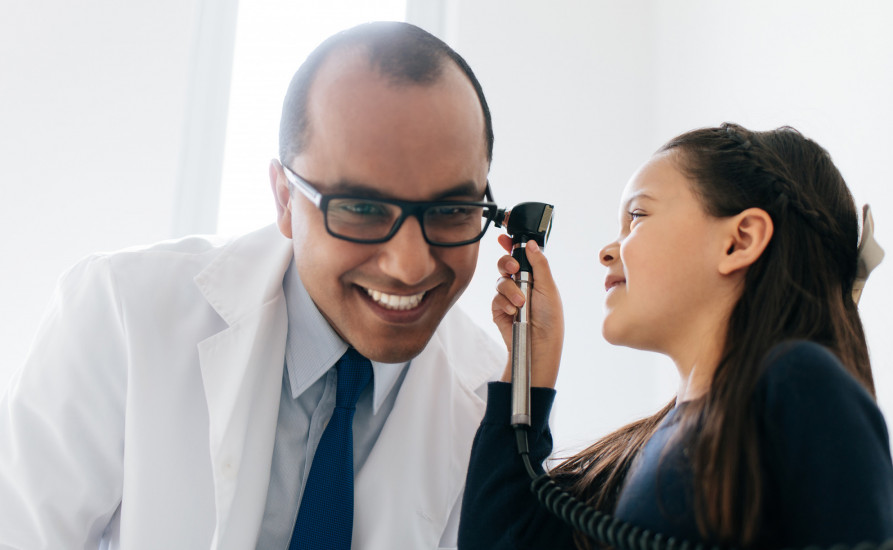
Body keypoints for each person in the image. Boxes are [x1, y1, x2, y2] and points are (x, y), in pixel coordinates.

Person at [0, 22, 505, 549]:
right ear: (285, 198)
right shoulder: (120, 313)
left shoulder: (495, 402)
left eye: (452, 210)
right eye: (361, 208)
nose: (408, 265)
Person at [458, 123, 893, 549]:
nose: (608, 250)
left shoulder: (801, 383)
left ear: (740, 240)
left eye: (638, 216)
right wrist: (532, 361)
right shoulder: (659, 444)